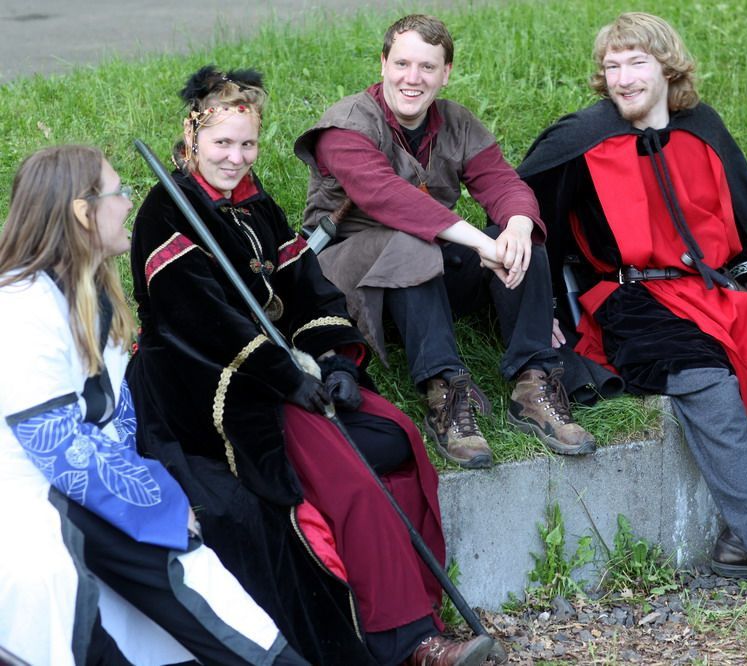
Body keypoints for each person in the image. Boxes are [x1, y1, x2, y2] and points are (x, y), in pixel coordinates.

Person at [127, 66, 494, 666]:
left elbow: (309, 290)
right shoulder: (166, 212)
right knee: (350, 474)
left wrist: (334, 360)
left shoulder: (256, 205)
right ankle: (406, 641)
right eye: (222, 143)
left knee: (397, 437)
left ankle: (418, 602)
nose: (236, 157)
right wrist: (289, 379)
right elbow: (202, 324)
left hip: (284, 370)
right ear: (192, 136)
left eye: (248, 143)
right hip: (208, 385)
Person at [517, 12, 747, 626]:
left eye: (636, 63)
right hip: (632, 304)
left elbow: (744, 223)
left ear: (667, 67)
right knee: (710, 382)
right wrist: (540, 311)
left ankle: (739, 538)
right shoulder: (581, 142)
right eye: (612, 66)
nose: (623, 78)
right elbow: (532, 226)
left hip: (713, 293)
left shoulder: (703, 131)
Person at [0, 145, 306, 665]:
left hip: (85, 499)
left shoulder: (93, 296)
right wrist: (159, 502)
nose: (128, 202)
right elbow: (59, 448)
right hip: (33, 512)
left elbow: (117, 425)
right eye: (117, 192)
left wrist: (156, 495)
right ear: (83, 213)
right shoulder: (20, 306)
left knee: (205, 597)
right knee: (167, 597)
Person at [293, 14, 597, 469]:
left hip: (425, 274)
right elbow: (388, 198)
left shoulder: (456, 122)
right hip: (350, 280)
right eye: (402, 64)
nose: (412, 78)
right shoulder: (346, 125)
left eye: (427, 67)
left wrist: (516, 226)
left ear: (446, 73)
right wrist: (480, 244)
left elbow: (502, 182)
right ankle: (445, 392)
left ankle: (534, 382)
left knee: (521, 242)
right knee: (415, 244)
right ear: (383, 64)